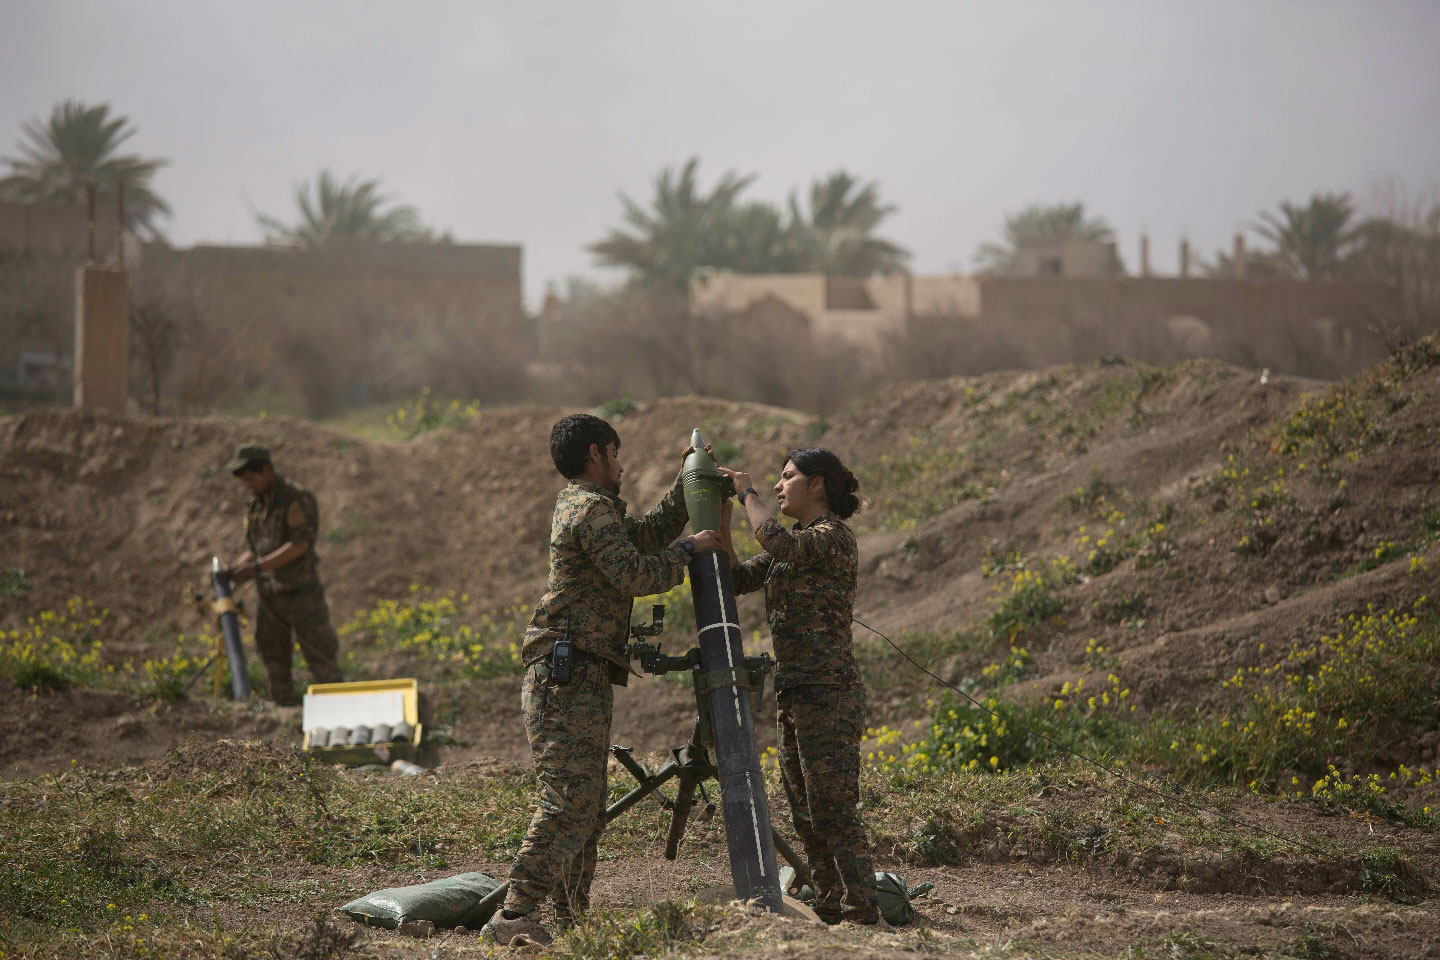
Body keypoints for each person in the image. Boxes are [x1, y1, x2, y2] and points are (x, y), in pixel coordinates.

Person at [481, 414, 721, 947]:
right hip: (564, 675)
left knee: (585, 803)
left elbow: (644, 536)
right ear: (596, 453)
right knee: (570, 801)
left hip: (580, 674)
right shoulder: (588, 509)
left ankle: (570, 918)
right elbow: (635, 573)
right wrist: (691, 550)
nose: (621, 463)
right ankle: (513, 915)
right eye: (616, 452)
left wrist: (684, 492)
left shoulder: (594, 510)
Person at [717, 449, 882, 926]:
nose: (777, 486)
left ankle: (863, 906)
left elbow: (774, 542)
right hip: (796, 691)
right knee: (805, 810)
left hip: (829, 691)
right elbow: (736, 576)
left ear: (818, 485)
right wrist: (726, 512)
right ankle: (830, 898)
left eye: (787, 477)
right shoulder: (792, 546)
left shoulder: (831, 538)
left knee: (833, 805)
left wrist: (746, 489)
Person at [224, 444, 344, 706]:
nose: (249, 485)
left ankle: (339, 711)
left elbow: (299, 546)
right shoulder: (256, 504)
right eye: (245, 481)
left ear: (267, 471)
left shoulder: (296, 498)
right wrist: (237, 568)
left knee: (320, 655)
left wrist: (256, 568)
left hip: (301, 593)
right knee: (274, 659)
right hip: (270, 597)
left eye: (252, 478)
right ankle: (286, 716)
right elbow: (256, 549)